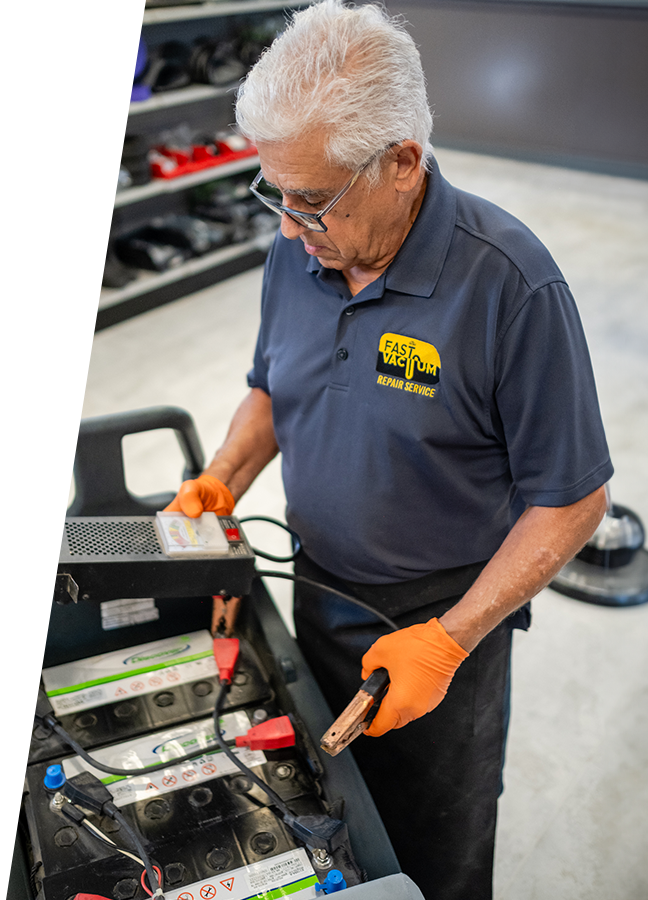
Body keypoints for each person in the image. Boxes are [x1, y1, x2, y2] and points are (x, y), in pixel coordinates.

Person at [166, 1, 613, 897]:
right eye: (276, 195)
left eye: (311, 201)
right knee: (337, 826)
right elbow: (272, 384)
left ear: (403, 162)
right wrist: (222, 475)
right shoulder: (299, 246)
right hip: (316, 593)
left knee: (433, 854)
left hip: (439, 626)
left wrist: (447, 643)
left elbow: (573, 498)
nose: (288, 228)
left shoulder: (511, 287)